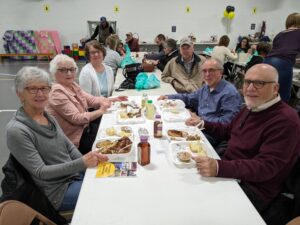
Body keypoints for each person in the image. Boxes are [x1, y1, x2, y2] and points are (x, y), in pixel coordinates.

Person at [187, 64, 300, 214]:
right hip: (231, 171)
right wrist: (203, 123)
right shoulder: (252, 107)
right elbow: (229, 131)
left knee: (196, 208)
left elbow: (267, 167)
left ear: (275, 88)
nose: (250, 88)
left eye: (259, 83)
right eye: (247, 82)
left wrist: (220, 167)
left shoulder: (286, 120)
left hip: (253, 188)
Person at [6, 66, 109, 211]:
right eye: (32, 89)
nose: (40, 94)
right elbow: (41, 171)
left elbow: (70, 147)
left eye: (44, 88)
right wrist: (82, 163)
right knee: (105, 193)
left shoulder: (47, 116)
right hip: (57, 192)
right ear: (19, 93)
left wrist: (86, 165)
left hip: (72, 175)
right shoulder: (17, 130)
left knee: (110, 178)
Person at [47, 54, 121, 154]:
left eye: (72, 69)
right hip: (76, 140)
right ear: (54, 72)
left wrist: (110, 100)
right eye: (63, 70)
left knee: (114, 126)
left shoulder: (72, 85)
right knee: (112, 142)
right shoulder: (56, 93)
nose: (69, 73)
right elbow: (77, 118)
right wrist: (101, 111)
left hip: (85, 129)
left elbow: (91, 100)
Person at [158, 58, 242, 124]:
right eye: (204, 71)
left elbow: (227, 122)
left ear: (221, 72)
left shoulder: (230, 93)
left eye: (211, 70)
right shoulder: (206, 87)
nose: (207, 74)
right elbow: (189, 98)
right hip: (199, 125)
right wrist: (168, 97)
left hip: (212, 133)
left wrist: (201, 120)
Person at [264, 12, 300, 103]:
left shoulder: (280, 34)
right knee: (282, 98)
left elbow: (279, 50)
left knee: (266, 94)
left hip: (267, 62)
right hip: (283, 65)